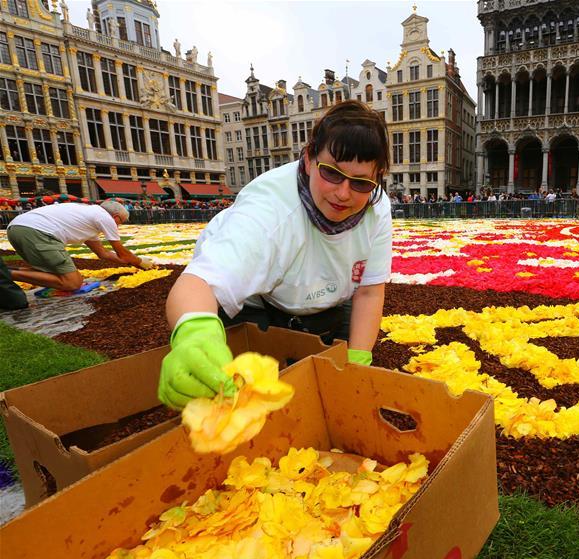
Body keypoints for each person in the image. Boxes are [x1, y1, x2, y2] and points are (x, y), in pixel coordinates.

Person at [158, 100, 391, 409]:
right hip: (257, 299)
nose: (344, 193)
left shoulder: (377, 206)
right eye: (332, 174)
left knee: (330, 377)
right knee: (237, 390)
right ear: (309, 160)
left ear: (377, 178)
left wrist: (358, 361)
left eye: (361, 182)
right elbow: (199, 283)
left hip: (323, 297)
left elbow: (369, 293)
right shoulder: (269, 211)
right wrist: (193, 333)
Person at [5, 200, 150, 294]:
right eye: (121, 221)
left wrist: (131, 263)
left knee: (48, 271)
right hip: (38, 233)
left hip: (16, 229)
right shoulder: (104, 217)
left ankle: (7, 270)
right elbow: (122, 253)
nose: (119, 225)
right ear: (115, 216)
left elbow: (103, 254)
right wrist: (140, 262)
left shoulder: (88, 217)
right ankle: (5, 274)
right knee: (73, 283)